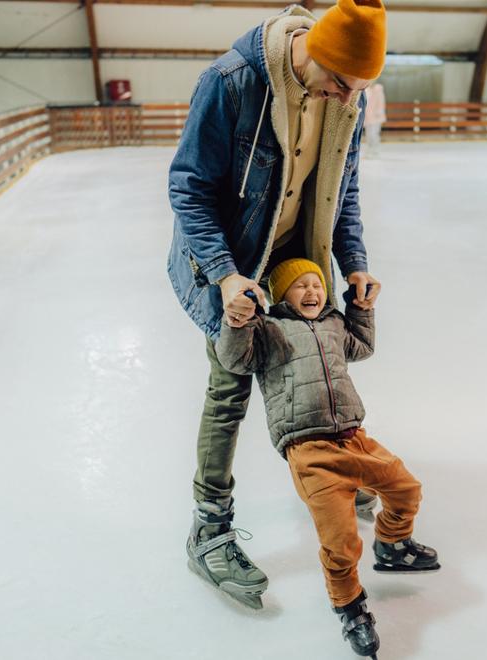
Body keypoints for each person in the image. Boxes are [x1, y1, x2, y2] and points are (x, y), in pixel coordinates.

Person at [167, 0, 386, 609]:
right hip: (233, 260)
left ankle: (333, 471)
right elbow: (188, 186)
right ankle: (207, 528)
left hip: (296, 250)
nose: (350, 100)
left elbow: (344, 190)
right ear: (313, 51)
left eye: (361, 89)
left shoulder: (347, 94)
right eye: (343, 83)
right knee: (230, 384)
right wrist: (225, 276)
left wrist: (355, 261)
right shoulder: (232, 81)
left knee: (319, 364)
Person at [216, 259, 438, 658]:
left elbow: (363, 347)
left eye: (316, 285)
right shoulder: (268, 329)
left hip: (355, 438)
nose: (312, 292)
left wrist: (361, 308)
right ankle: (350, 607)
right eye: (299, 287)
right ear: (282, 295)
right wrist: (236, 322)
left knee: (406, 489)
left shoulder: (335, 323)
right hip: (310, 453)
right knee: (340, 541)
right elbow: (236, 360)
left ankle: (392, 545)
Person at [363, 82, 386, 158]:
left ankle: (375, 150)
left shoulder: (378, 89)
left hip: (376, 116)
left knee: (374, 134)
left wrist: (379, 112)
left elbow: (381, 101)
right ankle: (369, 150)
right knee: (368, 134)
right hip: (368, 116)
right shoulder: (366, 89)